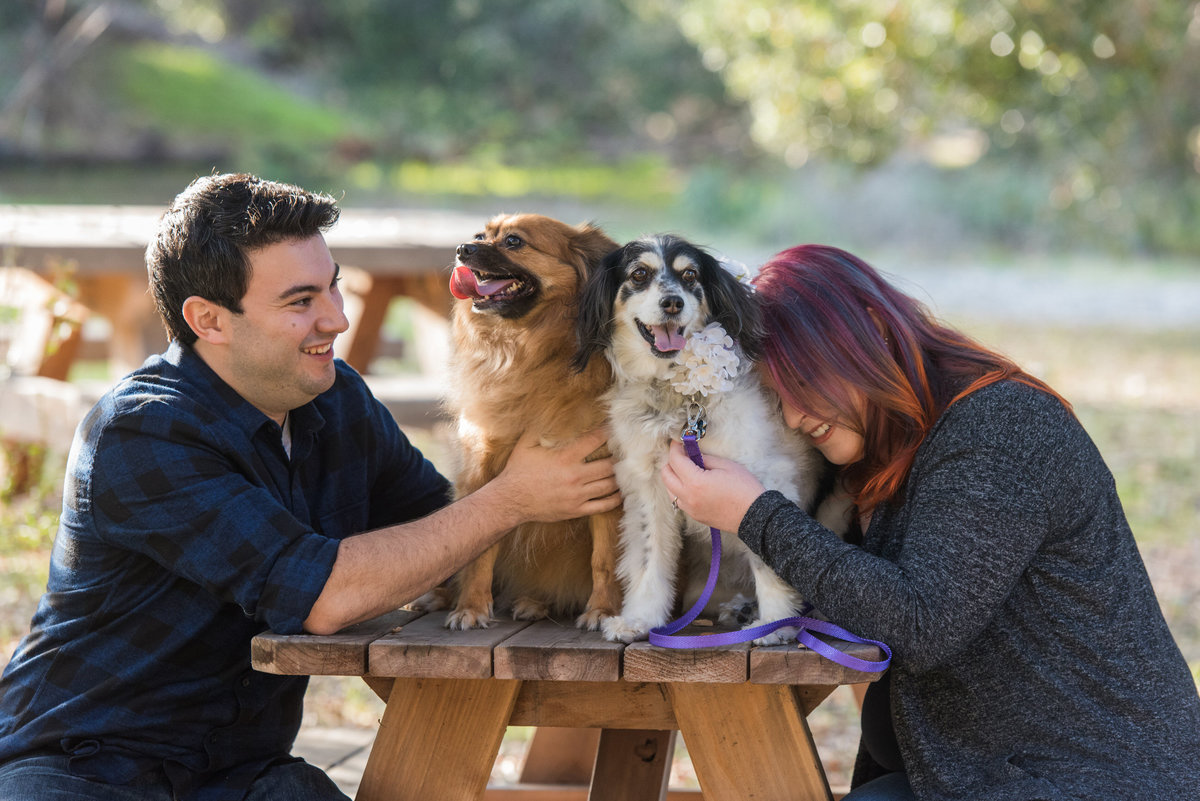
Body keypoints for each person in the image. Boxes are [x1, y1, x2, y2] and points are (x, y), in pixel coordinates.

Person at [0, 173, 621, 801]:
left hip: (241, 778)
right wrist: (512, 496)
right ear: (208, 319)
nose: (338, 318)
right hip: (83, 767)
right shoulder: (142, 432)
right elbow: (322, 595)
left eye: (334, 287)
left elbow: (443, 534)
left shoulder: (335, 397)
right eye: (301, 302)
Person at [662, 244, 1200, 800]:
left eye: (803, 383)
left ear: (870, 331)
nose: (795, 416)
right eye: (778, 398)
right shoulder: (890, 441)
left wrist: (755, 515)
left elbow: (923, 623)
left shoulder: (999, 428)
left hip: (1091, 780)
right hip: (978, 776)